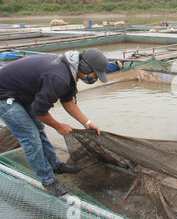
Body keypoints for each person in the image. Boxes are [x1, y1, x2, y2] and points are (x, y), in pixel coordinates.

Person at [0, 48, 109, 196]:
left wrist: (87, 122)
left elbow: (68, 102)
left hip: (21, 95)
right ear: (85, 67)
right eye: (95, 74)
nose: (94, 78)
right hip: (5, 97)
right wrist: (59, 126)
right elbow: (39, 111)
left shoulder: (69, 71)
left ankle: (55, 165)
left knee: (38, 129)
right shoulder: (59, 77)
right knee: (31, 138)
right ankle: (48, 181)